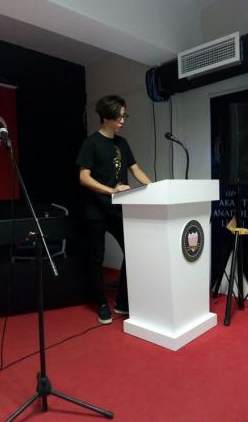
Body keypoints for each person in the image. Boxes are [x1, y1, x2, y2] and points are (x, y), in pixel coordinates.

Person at [75, 95, 153, 324]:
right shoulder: (91, 143)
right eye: (118, 117)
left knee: (133, 251)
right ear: (106, 117)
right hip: (95, 211)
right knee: (96, 258)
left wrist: (156, 188)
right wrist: (111, 190)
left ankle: (122, 301)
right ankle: (101, 303)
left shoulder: (122, 143)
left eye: (124, 116)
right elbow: (83, 178)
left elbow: (136, 169)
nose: (122, 121)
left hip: (117, 210)